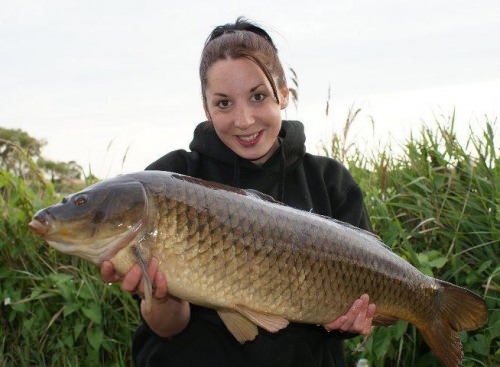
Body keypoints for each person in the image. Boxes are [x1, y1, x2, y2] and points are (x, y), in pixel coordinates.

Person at [101, 17, 376, 367]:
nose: (244, 120)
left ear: (284, 94)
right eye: (224, 104)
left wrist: (348, 322)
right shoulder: (170, 181)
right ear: (206, 108)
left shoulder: (329, 181)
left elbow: (357, 316)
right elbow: (166, 327)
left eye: (258, 96)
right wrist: (162, 297)